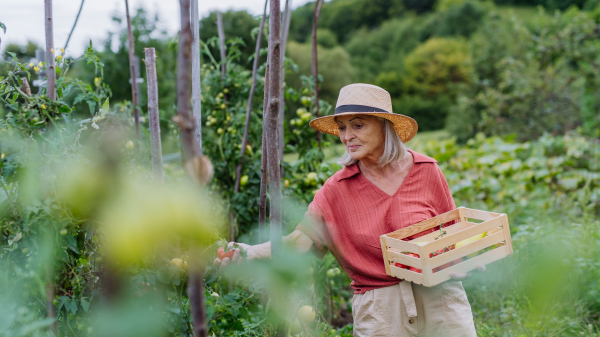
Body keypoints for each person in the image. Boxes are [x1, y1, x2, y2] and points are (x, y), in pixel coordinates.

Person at [214, 83, 480, 336]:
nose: (346, 136)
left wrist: (461, 261)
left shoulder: (426, 171)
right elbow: (297, 243)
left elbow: (451, 236)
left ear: (385, 126)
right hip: (381, 314)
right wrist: (247, 251)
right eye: (342, 128)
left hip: (440, 300)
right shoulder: (336, 190)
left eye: (358, 125)